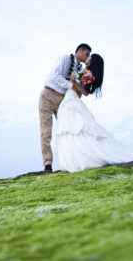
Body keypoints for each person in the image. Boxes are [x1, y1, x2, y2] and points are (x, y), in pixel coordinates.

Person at [55, 54, 133, 172]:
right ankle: (75, 158)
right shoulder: (85, 72)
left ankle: (80, 158)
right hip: (69, 98)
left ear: (92, 61)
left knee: (75, 128)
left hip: (72, 99)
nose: (87, 58)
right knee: (72, 128)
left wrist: (73, 82)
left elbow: (85, 92)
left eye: (89, 57)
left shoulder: (88, 74)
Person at [38, 43, 91, 173]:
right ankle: (47, 164)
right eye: (87, 54)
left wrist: (87, 69)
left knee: (66, 129)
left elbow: (80, 87)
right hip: (48, 94)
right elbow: (55, 76)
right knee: (46, 131)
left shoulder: (79, 69)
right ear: (80, 51)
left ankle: (70, 160)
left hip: (62, 99)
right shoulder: (65, 59)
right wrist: (70, 84)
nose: (87, 56)